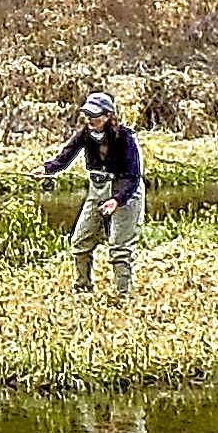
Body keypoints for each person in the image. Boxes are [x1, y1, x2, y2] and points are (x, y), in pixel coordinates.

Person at [41, 88, 146, 300]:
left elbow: (133, 176)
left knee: (120, 249)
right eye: (87, 114)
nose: (89, 119)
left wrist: (117, 200)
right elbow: (66, 156)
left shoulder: (126, 138)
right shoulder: (85, 134)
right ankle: (83, 290)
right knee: (80, 243)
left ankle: (123, 297)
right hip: (97, 191)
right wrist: (47, 169)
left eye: (94, 115)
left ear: (108, 116)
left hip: (126, 194)